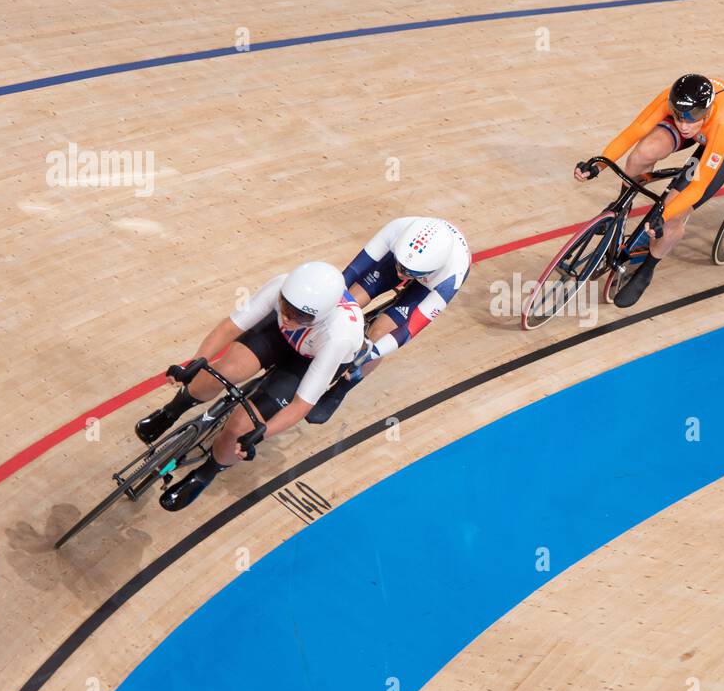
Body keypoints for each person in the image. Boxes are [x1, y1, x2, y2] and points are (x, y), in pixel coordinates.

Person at [133, 261, 364, 511]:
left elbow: (301, 405)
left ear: (321, 316)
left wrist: (260, 434)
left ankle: (206, 473)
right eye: (285, 307)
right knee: (221, 371)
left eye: (298, 315)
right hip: (282, 336)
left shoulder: (338, 337)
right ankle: (171, 411)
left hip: (310, 360)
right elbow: (229, 327)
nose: (287, 317)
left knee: (240, 426)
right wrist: (194, 364)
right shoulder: (280, 287)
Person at [575, 73, 724, 307]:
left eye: (692, 117)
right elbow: (634, 132)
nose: (684, 124)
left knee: (673, 214)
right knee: (642, 154)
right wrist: (598, 164)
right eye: (678, 116)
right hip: (703, 127)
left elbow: (698, 186)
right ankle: (621, 206)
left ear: (707, 111)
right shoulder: (676, 102)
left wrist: (664, 215)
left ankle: (647, 269)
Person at [310, 216, 471, 422]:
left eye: (407, 272)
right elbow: (350, 274)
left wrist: (370, 353)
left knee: (379, 333)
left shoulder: (449, 278)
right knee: (349, 302)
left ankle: (343, 388)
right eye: (400, 267)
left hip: (428, 286)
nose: (400, 274)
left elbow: (409, 330)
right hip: (399, 254)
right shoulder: (397, 229)